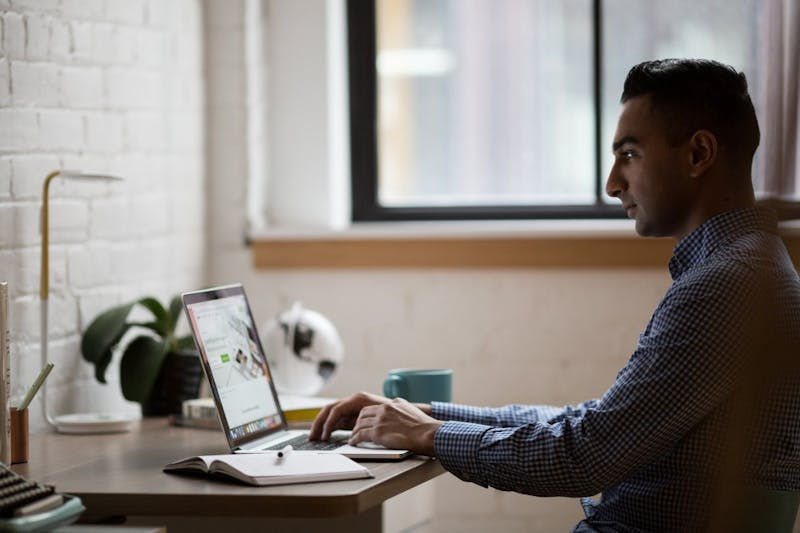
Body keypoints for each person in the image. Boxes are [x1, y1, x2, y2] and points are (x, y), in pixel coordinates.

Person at [309, 59, 800, 532]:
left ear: (698, 154)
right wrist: (428, 416)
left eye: (629, 155)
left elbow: (584, 457)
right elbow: (594, 424)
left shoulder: (724, 286)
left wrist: (428, 437)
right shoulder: (751, 270)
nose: (612, 184)